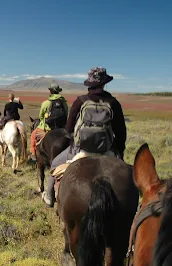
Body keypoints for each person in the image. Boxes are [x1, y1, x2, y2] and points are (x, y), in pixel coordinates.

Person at [42, 67, 127, 207]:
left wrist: (71, 141)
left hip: (81, 149)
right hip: (107, 150)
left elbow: (68, 129)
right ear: (104, 83)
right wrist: (120, 150)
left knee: (56, 164)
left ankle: (49, 196)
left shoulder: (80, 101)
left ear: (90, 83)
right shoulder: (113, 103)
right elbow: (121, 131)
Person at [29, 84, 68, 160]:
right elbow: (66, 114)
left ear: (50, 91)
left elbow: (41, 116)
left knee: (33, 135)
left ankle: (33, 153)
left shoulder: (46, 103)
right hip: (61, 127)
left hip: (47, 128)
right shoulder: (64, 103)